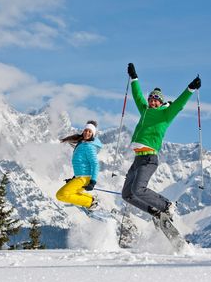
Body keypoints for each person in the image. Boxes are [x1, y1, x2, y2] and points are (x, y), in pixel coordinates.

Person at [122, 63, 201, 221]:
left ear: (161, 102)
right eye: (150, 99)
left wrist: (190, 88)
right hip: (137, 160)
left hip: (149, 159)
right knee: (127, 194)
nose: (152, 101)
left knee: (138, 190)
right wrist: (134, 78)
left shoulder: (165, 114)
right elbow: (137, 96)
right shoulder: (145, 111)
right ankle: (155, 212)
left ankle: (167, 206)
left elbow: (179, 104)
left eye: (155, 100)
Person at [56, 120, 103, 210]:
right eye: (86, 130)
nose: (87, 133)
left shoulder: (89, 147)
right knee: (66, 194)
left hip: (84, 178)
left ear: (93, 134)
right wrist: (74, 178)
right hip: (80, 177)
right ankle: (91, 200)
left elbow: (95, 164)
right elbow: (82, 164)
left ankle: (90, 202)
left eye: (90, 131)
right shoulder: (82, 143)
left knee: (61, 195)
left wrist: (93, 182)